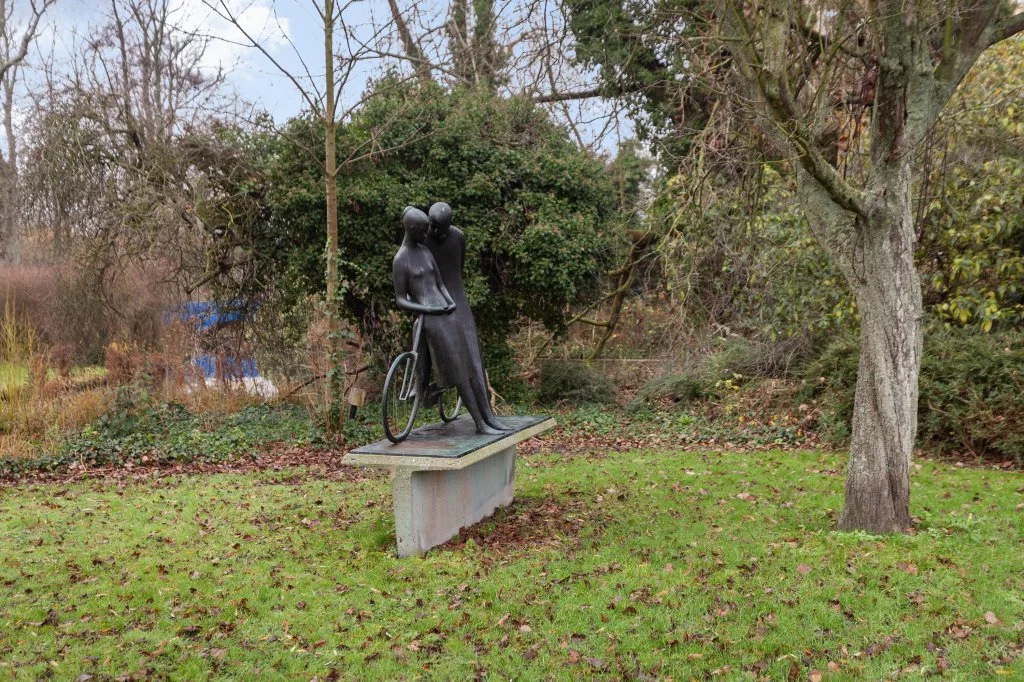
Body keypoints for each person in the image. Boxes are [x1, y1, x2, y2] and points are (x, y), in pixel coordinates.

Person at [392, 206, 504, 436]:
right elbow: (401, 299)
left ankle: (481, 415)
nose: (428, 235)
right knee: (458, 368)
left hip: (447, 310)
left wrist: (449, 303)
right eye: (424, 231)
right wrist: (426, 309)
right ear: (413, 229)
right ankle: (479, 423)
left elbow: (442, 282)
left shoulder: (426, 251)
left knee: (468, 361)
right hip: (431, 317)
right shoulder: (401, 259)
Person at [427, 202, 511, 431]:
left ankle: (488, 416)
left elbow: (458, 268)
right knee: (457, 358)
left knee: (474, 355)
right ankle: (478, 420)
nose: (437, 233)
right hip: (434, 302)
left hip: (457, 298)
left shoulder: (458, 237)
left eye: (441, 228)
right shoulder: (421, 238)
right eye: (434, 227)